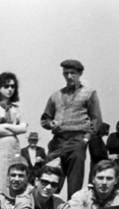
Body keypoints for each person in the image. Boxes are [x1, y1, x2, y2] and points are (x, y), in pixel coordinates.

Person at [41, 59, 103, 198]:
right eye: (66, 73)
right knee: (49, 175)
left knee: (75, 180)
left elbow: (96, 120)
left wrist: (86, 139)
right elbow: (45, 119)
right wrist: (50, 124)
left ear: (80, 74)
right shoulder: (55, 95)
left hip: (77, 140)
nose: (69, 76)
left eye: (73, 73)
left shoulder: (89, 93)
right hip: (58, 141)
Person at [0, 72, 27, 193]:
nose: (10, 89)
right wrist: (14, 128)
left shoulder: (15, 108)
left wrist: (5, 126)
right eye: (6, 86)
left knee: (13, 182)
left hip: (12, 149)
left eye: (12, 86)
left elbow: (23, 128)